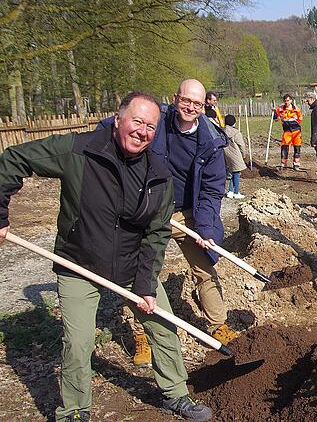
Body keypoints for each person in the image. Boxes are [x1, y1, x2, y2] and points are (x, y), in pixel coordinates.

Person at [0, 92, 212, 421]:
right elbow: (13, 159)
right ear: (118, 119)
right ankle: (74, 410)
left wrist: (145, 285)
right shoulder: (80, 150)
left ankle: (176, 394)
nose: (142, 131)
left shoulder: (158, 174)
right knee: (79, 342)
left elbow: (157, 233)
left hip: (130, 265)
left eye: (151, 126)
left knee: (163, 326)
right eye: (137, 121)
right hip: (79, 263)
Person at [98, 79, 237, 367]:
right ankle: (142, 335)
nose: (190, 107)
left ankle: (219, 325)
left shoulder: (212, 141)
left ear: (204, 106)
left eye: (197, 104)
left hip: (186, 214)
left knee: (204, 268)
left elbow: (212, 190)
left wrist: (206, 229)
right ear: (175, 99)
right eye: (186, 100)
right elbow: (113, 126)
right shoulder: (156, 120)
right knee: (140, 270)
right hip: (147, 209)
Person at [273, 93, 303, 170]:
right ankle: (284, 164)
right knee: (284, 147)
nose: (286, 102)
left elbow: (300, 118)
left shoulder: (295, 109)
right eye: (285, 101)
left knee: (297, 147)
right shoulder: (280, 109)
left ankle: (296, 164)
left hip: (296, 131)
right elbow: (276, 119)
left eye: (288, 100)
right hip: (287, 131)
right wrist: (275, 114)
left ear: (291, 100)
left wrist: (295, 119)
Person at [223, 114, 247, 199]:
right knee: (237, 173)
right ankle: (236, 192)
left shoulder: (222, 131)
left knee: (233, 172)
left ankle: (230, 191)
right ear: (234, 123)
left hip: (226, 154)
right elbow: (241, 145)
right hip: (235, 154)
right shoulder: (236, 133)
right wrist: (243, 154)